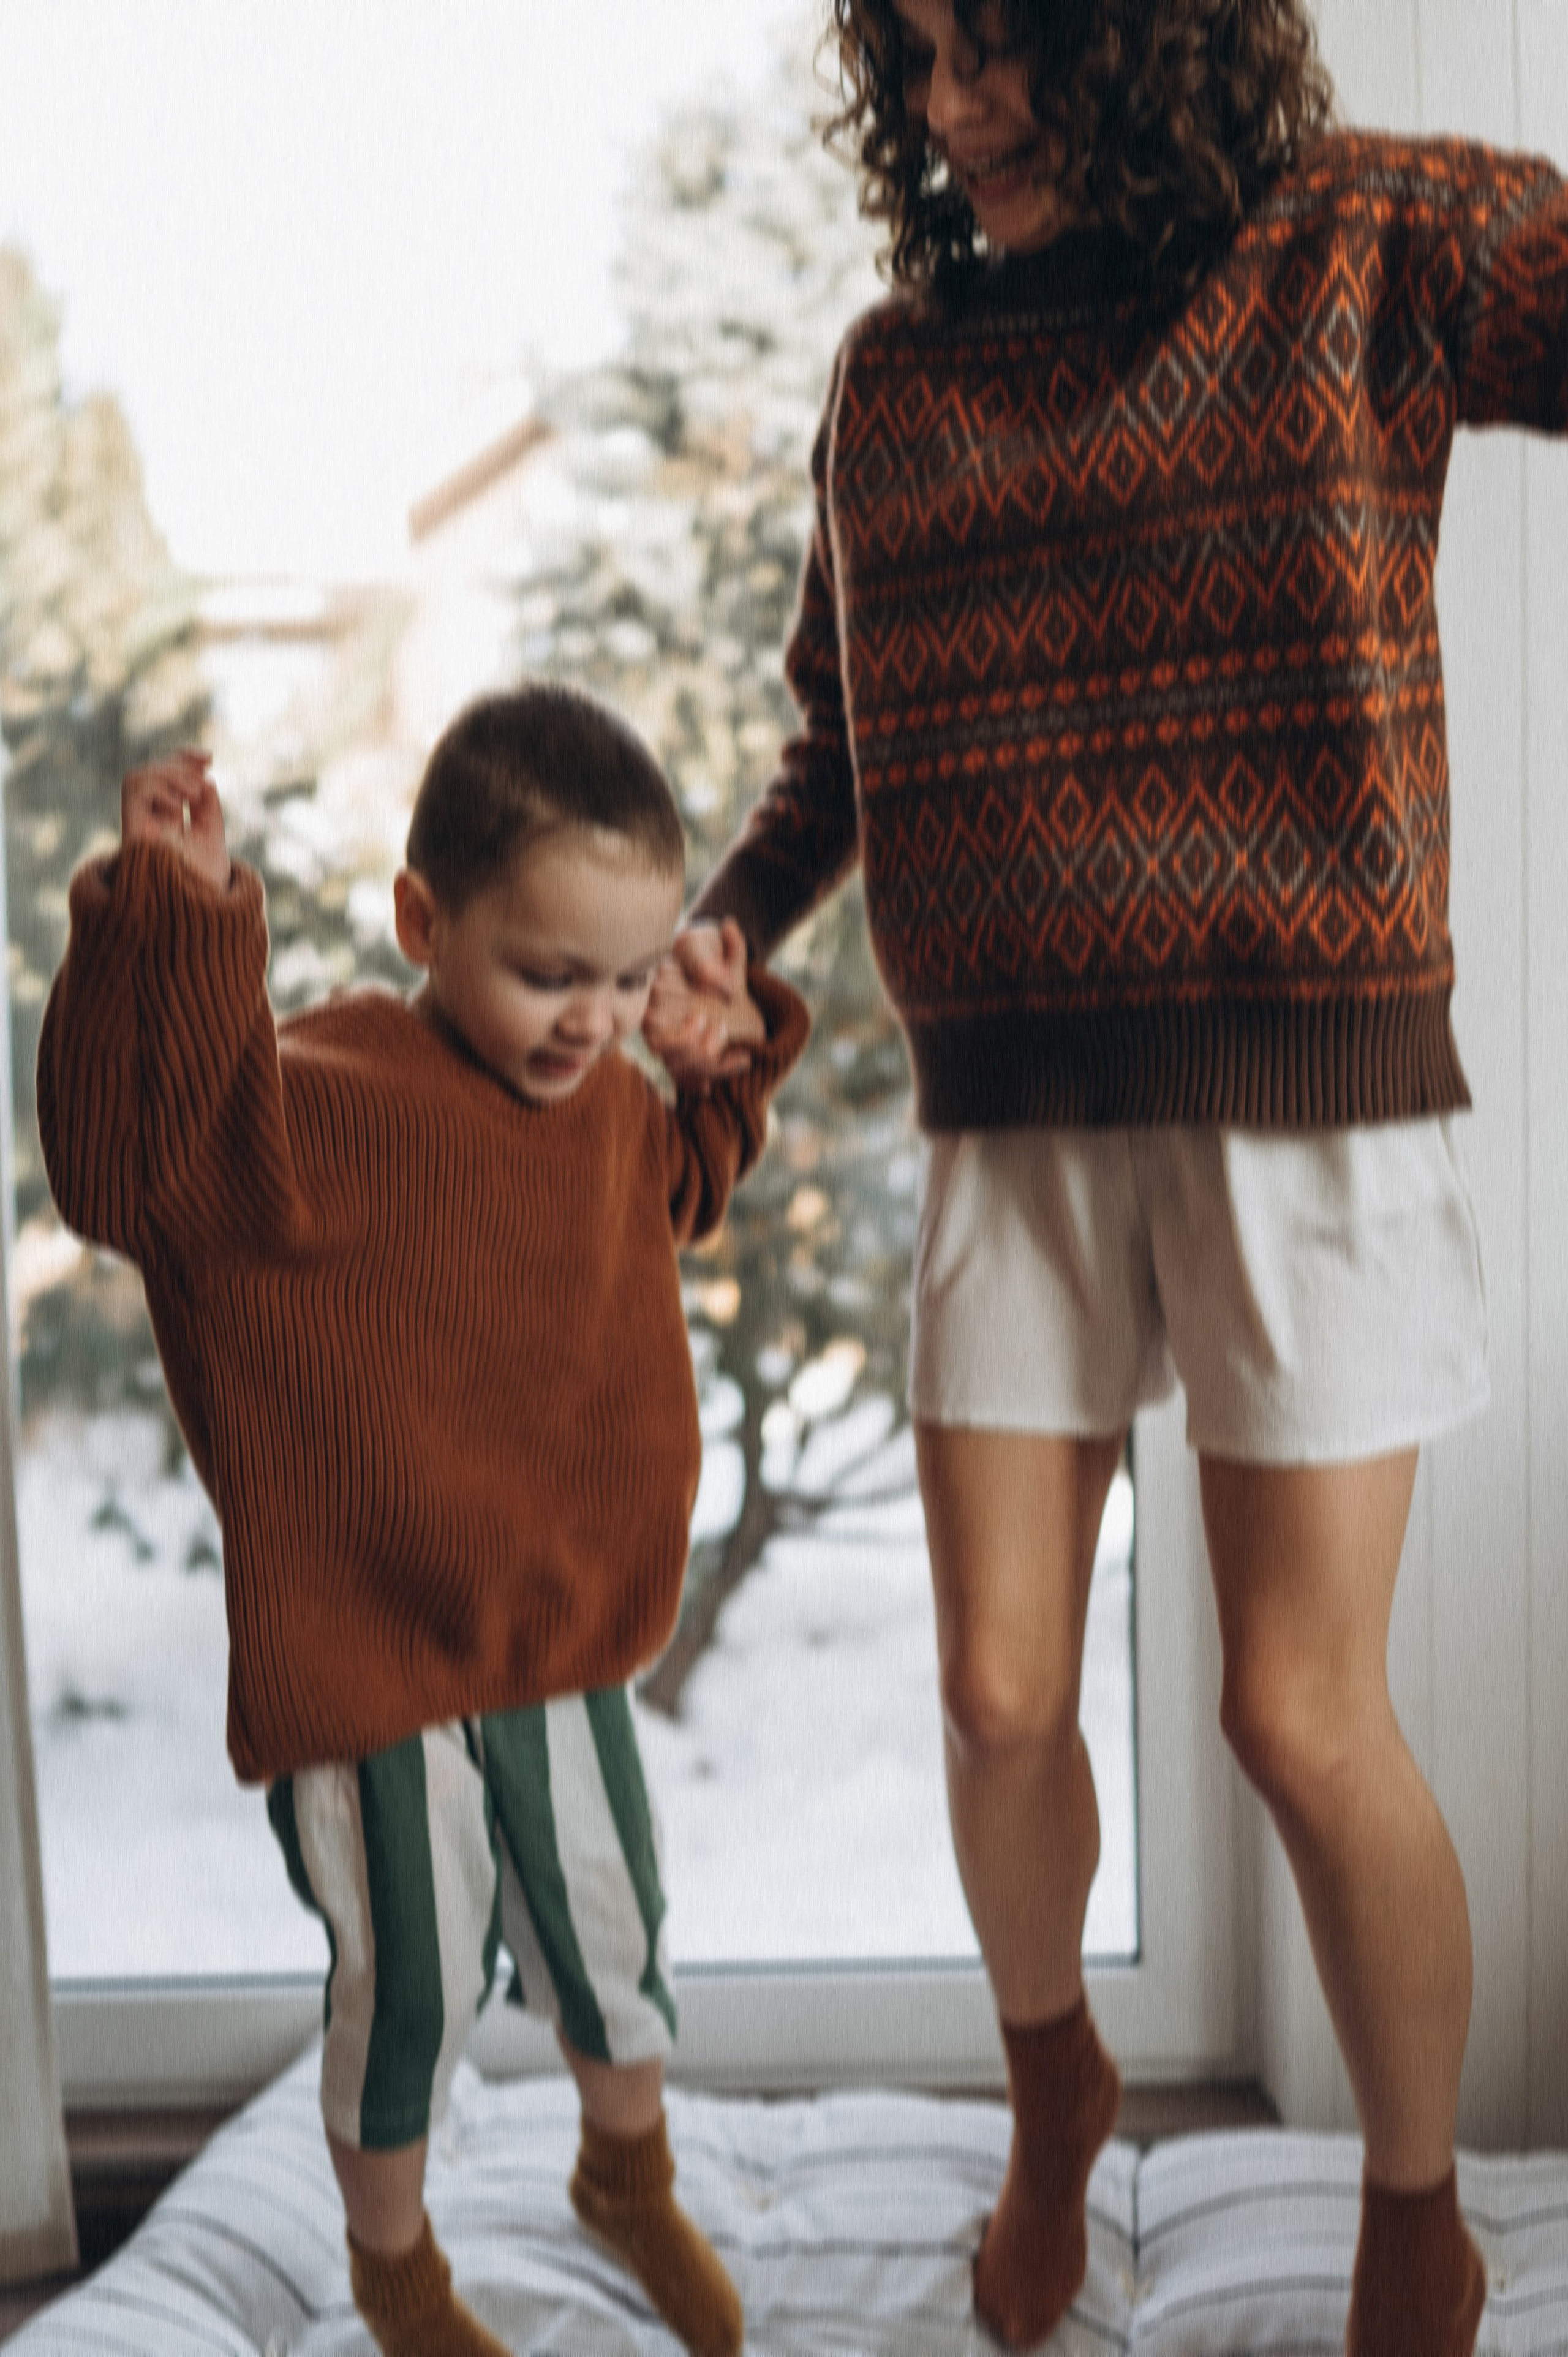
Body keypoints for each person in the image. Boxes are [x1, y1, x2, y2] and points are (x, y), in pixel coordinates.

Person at [646, 3, 1568, 2351]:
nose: (955, 110)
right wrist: (731, 928)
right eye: (921, 60)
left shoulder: (1368, 242)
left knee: (1296, 1712)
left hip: (1308, 1092)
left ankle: (1409, 2205)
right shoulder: (893, 379)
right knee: (987, 1690)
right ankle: (1058, 2082)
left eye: (1006, 53)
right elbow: (831, 749)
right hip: (1015, 1103)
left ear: (1140, 47)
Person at [39, 685, 809, 2357]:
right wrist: (170, 923)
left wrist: (717, 1056)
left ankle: (627, 2171)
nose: (588, 1019)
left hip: (557, 1637)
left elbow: (681, 1184)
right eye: (548, 972)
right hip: (371, 1651)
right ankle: (395, 2265)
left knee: (618, 1951)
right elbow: (119, 1171)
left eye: (622, 976)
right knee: (410, 1995)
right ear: (421, 922)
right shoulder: (319, 1098)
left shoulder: (607, 1100)